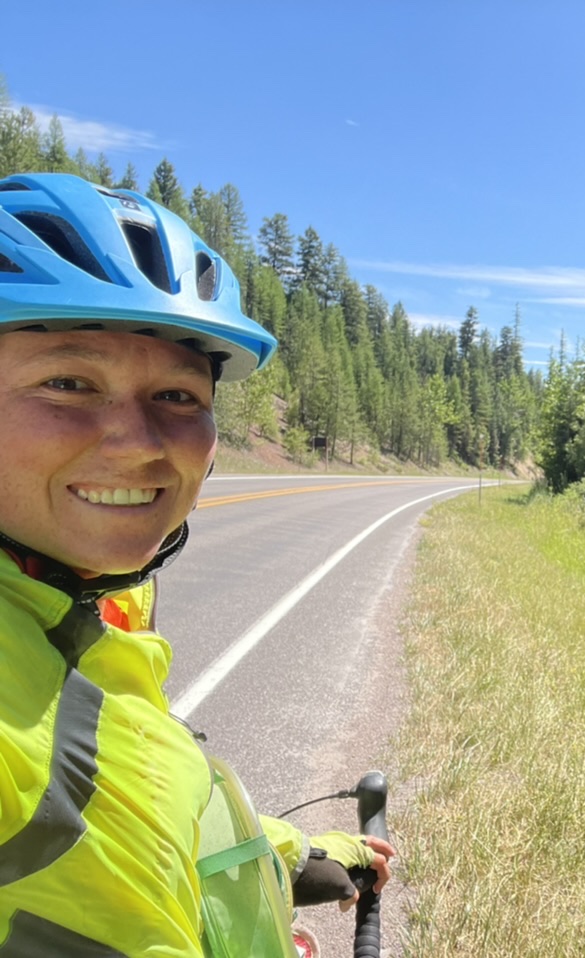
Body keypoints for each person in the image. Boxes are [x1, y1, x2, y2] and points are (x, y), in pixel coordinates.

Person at [0, 172, 394, 956]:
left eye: (178, 396)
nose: (141, 441)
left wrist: (308, 857)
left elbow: (151, 809)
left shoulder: (83, 613)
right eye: (69, 382)